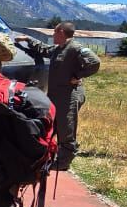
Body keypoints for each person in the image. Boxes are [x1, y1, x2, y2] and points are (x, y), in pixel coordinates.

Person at [15, 22, 101, 170]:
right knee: (52, 125)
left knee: (66, 128)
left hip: (69, 95)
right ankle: (51, 155)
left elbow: (95, 62)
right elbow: (44, 49)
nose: (53, 35)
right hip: (57, 95)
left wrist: (78, 76)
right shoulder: (59, 49)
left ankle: (63, 163)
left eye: (54, 33)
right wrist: (27, 40)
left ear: (61, 32)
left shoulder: (75, 48)